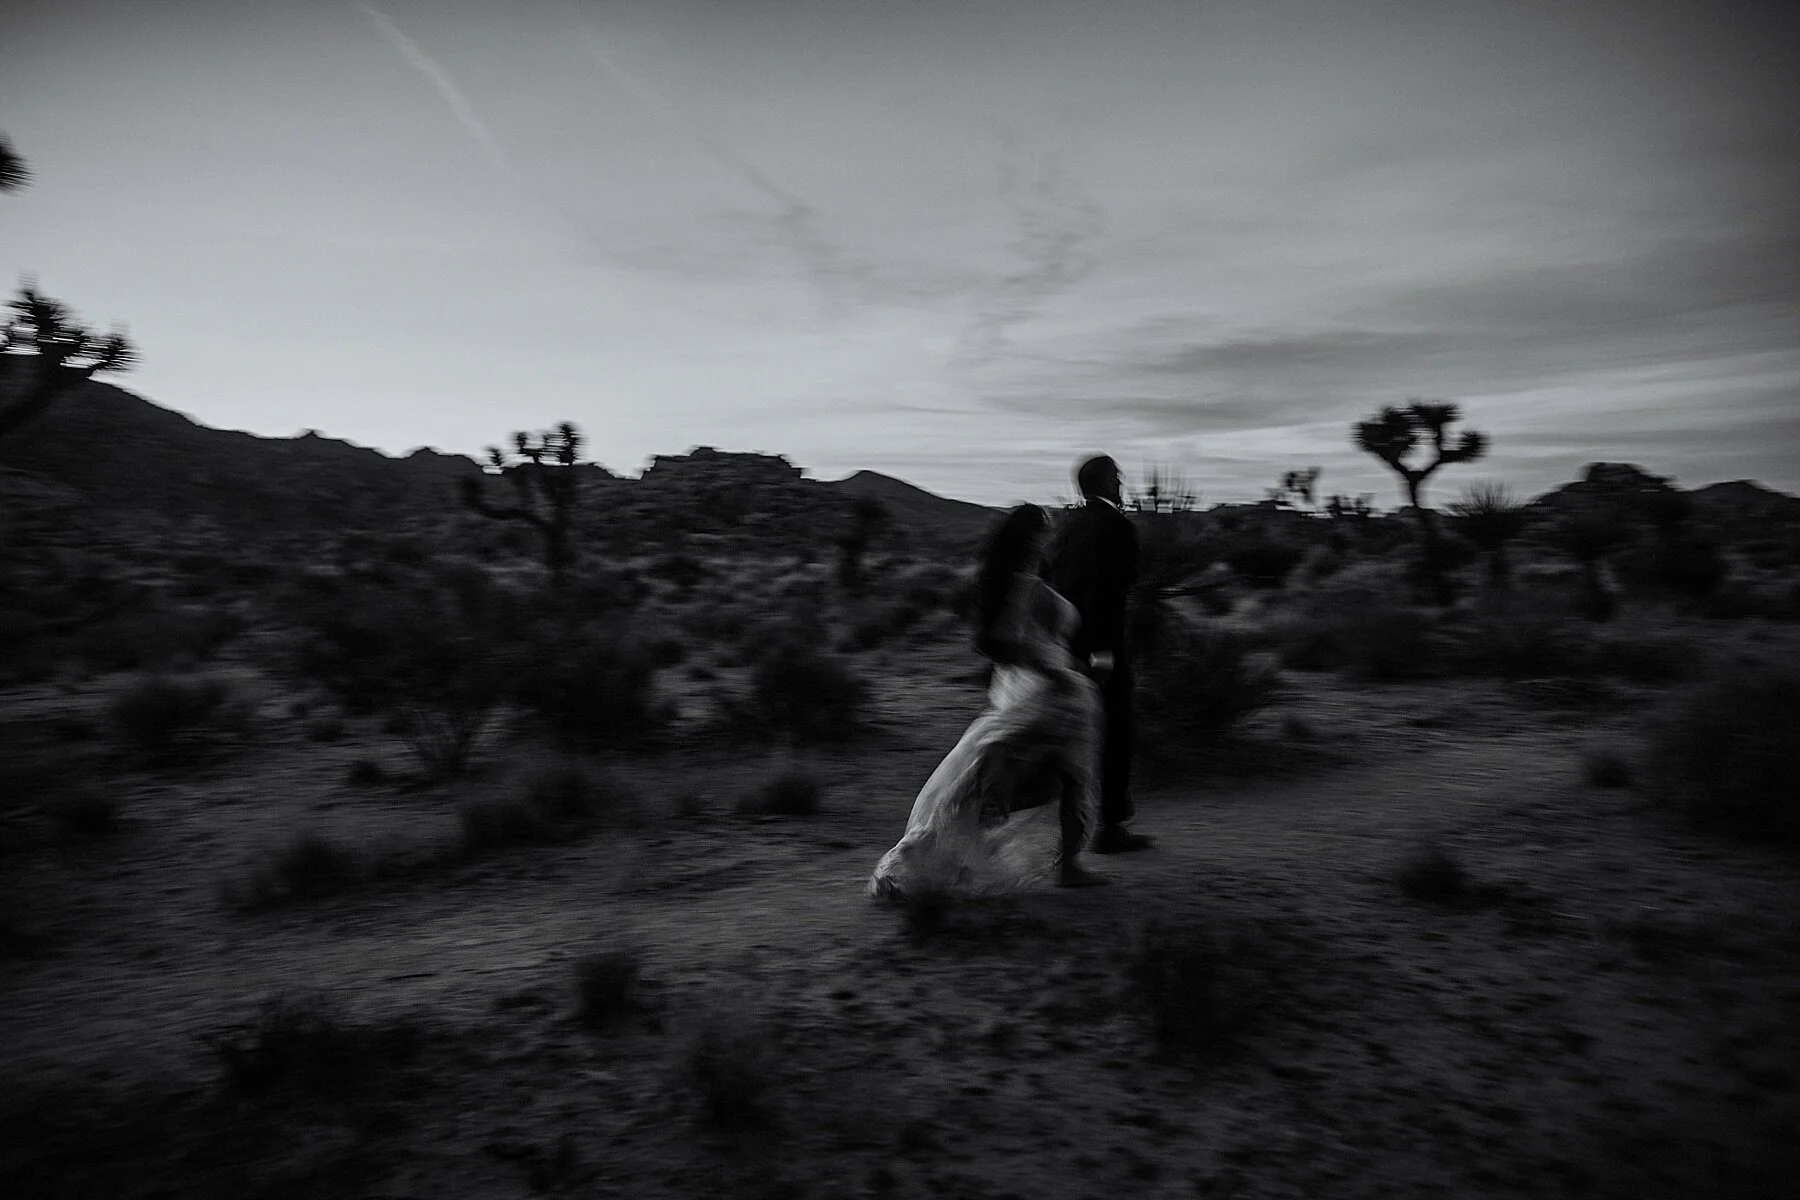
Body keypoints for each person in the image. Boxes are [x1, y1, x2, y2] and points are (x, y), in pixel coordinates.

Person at [867, 504, 1107, 897]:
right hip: (1050, 694)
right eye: (1047, 528)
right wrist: (1054, 671)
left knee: (1058, 779)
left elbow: (1033, 641)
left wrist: (1070, 664)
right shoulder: (1022, 583)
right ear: (1032, 536)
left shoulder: (1025, 578)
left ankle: (952, 855)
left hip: (1052, 691)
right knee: (1054, 780)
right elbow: (1004, 641)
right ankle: (935, 858)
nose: (1053, 533)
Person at [1048, 455, 1152, 854]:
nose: (1122, 484)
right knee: (1114, 731)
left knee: (1074, 735)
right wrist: (1104, 653)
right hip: (1102, 647)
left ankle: (1075, 827)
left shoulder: (1065, 527)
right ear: (1106, 483)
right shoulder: (1116, 528)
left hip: (1063, 646)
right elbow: (1108, 596)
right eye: (1117, 478)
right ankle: (1110, 826)